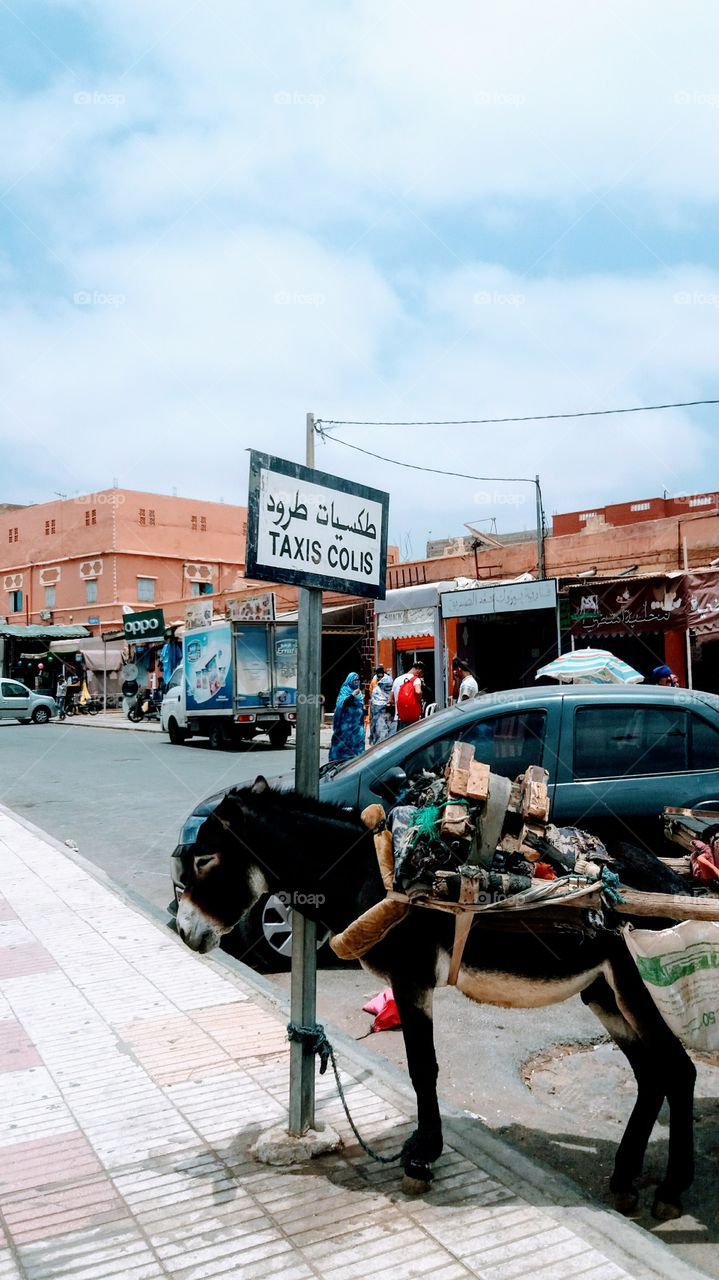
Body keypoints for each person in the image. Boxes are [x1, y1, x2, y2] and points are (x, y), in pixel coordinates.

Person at [328, 672, 365, 762]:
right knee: (344, 742)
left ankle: (357, 760)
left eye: (358, 680)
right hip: (346, 724)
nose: (357, 681)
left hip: (357, 724)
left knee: (358, 740)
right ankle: (341, 760)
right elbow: (343, 704)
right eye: (354, 680)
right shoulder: (345, 690)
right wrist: (353, 695)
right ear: (350, 680)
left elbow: (360, 705)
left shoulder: (359, 692)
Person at [391, 661, 426, 731]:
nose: (421, 676)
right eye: (421, 674)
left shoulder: (397, 679)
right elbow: (418, 691)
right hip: (411, 718)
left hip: (398, 717)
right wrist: (419, 700)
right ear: (419, 670)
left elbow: (391, 699)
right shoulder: (416, 679)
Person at [369, 671, 394, 744]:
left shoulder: (392, 692)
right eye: (387, 686)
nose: (388, 688)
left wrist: (391, 704)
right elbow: (375, 705)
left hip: (390, 717)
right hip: (379, 716)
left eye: (390, 686)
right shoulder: (376, 691)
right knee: (381, 734)